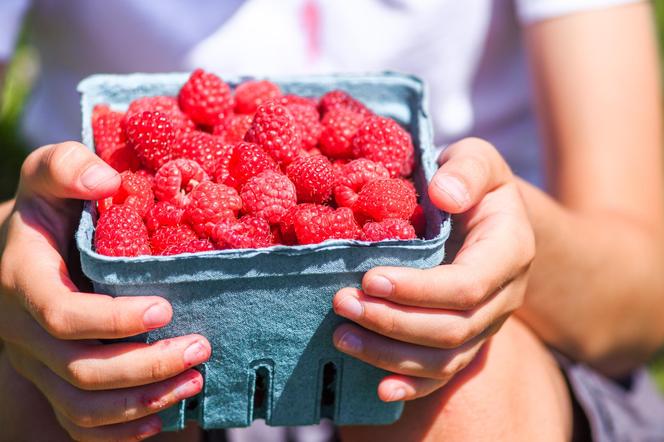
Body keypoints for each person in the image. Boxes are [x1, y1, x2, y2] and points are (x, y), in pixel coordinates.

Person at [0, 0, 663, 441]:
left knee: (462, 399)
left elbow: (645, 292)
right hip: (155, 320)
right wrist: (22, 245)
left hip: (480, 333)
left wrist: (495, 243)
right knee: (52, 385)